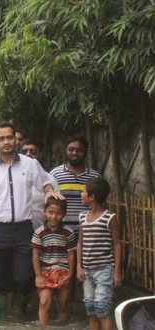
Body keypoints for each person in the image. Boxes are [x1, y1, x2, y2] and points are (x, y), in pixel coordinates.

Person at [0, 122, 62, 320]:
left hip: (23, 229)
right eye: (1, 138)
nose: (6, 142)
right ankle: (0, 321)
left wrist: (49, 192)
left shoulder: (30, 164)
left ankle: (20, 313)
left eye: (9, 137)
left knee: (24, 276)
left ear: (15, 140)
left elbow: (44, 182)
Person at [77, 177, 122, 330]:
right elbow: (80, 243)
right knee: (90, 307)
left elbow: (116, 244)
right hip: (87, 271)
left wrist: (116, 272)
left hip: (104, 269)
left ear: (92, 197)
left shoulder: (110, 218)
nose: (81, 194)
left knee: (101, 308)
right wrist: (79, 266)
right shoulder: (83, 216)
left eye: (83, 191)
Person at [32, 197, 77, 325]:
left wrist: (70, 274)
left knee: (62, 305)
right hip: (45, 273)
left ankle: (63, 324)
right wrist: (38, 275)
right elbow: (35, 255)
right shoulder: (39, 232)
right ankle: (42, 326)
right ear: (44, 212)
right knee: (44, 301)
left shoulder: (68, 232)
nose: (54, 216)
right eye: (50, 212)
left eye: (58, 213)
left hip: (63, 272)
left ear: (64, 215)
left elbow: (71, 254)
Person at [50, 135, 101, 231]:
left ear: (86, 152)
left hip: (88, 231)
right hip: (61, 231)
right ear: (65, 150)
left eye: (79, 150)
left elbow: (100, 205)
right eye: (71, 149)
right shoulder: (55, 174)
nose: (74, 153)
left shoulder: (95, 177)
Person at [21, 138, 57, 230]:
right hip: (19, 231)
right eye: (24, 151)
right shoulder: (13, 177)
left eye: (33, 151)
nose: (28, 154)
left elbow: (56, 206)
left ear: (40, 153)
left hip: (43, 230)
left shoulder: (50, 179)